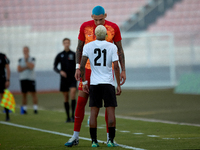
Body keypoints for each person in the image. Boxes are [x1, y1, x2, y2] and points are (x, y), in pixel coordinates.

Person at [65, 5, 126, 147]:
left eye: (101, 19)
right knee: (81, 102)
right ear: (92, 17)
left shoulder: (114, 27)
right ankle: (75, 136)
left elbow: (120, 50)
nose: (99, 23)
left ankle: (109, 138)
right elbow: (79, 48)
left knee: (107, 105)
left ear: (106, 15)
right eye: (96, 20)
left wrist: (123, 70)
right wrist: (77, 67)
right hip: (87, 71)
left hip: (105, 72)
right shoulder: (85, 27)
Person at [81, 25, 121, 147]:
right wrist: (118, 84)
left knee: (93, 113)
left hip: (94, 83)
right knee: (111, 112)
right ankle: (110, 141)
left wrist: (84, 83)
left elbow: (82, 66)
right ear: (106, 34)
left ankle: (94, 141)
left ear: (95, 34)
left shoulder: (87, 46)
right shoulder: (112, 46)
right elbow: (116, 66)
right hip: (108, 83)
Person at [54, 38, 77, 122]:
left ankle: (73, 115)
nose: (66, 44)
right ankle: (68, 117)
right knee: (66, 97)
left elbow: (78, 65)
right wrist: (60, 71)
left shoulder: (74, 54)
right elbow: (55, 67)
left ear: (70, 43)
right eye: (65, 43)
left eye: (68, 42)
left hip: (72, 78)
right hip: (64, 79)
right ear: (63, 44)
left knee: (73, 94)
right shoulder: (60, 55)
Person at [17, 46, 38, 114]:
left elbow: (32, 67)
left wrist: (26, 62)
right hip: (23, 79)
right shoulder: (20, 59)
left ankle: (35, 109)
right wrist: (27, 67)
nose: (25, 51)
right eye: (24, 50)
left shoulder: (32, 58)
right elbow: (19, 69)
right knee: (24, 94)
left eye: (26, 50)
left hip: (31, 79)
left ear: (28, 51)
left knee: (33, 94)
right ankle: (25, 109)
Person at [0, 53, 10, 121]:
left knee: (3, 96)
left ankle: (7, 115)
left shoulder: (2, 56)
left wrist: (8, 79)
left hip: (1, 79)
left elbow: (8, 68)